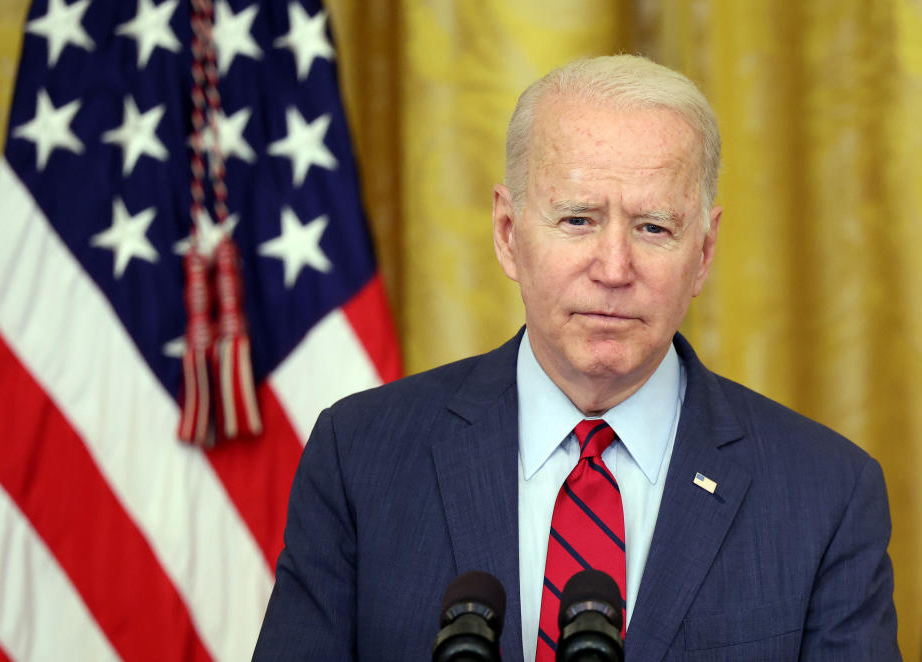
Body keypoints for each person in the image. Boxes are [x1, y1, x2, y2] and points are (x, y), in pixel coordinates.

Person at [252, 55, 900, 661]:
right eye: (578, 221)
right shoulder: (360, 456)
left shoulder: (826, 496)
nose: (614, 269)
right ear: (508, 235)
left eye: (654, 228)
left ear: (702, 253)